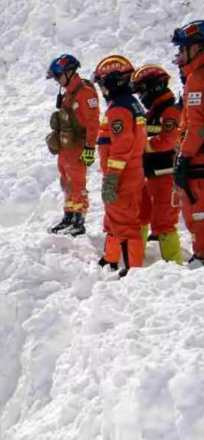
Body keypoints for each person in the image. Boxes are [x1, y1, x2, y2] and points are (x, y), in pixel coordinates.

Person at [92, 55, 147, 277]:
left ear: (114, 82)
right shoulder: (131, 103)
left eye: (103, 85)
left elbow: (122, 145)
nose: (102, 90)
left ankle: (133, 270)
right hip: (130, 171)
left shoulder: (119, 109)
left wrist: (112, 177)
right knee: (114, 218)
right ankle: (111, 258)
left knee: (124, 222)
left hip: (123, 174)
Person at [130, 64, 184, 264]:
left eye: (141, 90)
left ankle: (174, 266)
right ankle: (135, 260)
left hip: (165, 176)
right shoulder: (152, 111)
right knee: (139, 216)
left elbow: (168, 140)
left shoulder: (170, 110)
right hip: (148, 174)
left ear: (154, 86)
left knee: (164, 222)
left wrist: (141, 145)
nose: (140, 95)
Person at [45, 53, 101, 236]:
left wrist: (90, 148)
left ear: (69, 72)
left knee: (77, 183)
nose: (57, 81)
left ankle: (79, 220)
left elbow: (93, 123)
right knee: (66, 181)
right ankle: (68, 216)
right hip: (66, 147)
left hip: (78, 146)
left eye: (58, 77)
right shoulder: (69, 92)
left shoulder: (85, 93)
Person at [171, 20, 204, 265]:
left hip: (199, 159)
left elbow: (198, 126)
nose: (180, 55)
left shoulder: (197, 79)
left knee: (198, 212)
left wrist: (184, 157)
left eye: (184, 49)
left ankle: (202, 256)